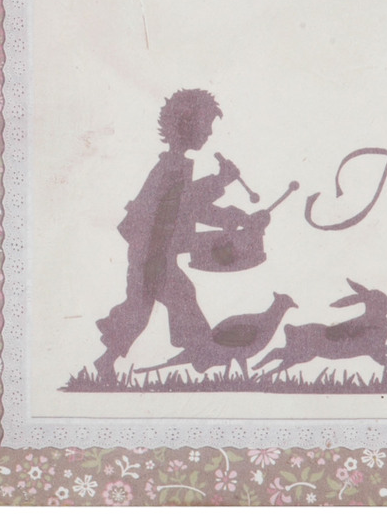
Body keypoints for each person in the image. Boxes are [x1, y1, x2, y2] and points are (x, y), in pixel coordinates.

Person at [94, 88, 264, 383]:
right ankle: (201, 356)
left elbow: (187, 206)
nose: (209, 132)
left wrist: (228, 209)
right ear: (187, 125)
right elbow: (188, 205)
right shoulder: (172, 166)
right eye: (206, 124)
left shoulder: (174, 164)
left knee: (149, 307)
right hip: (152, 254)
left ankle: (109, 361)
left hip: (152, 252)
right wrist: (224, 193)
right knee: (156, 305)